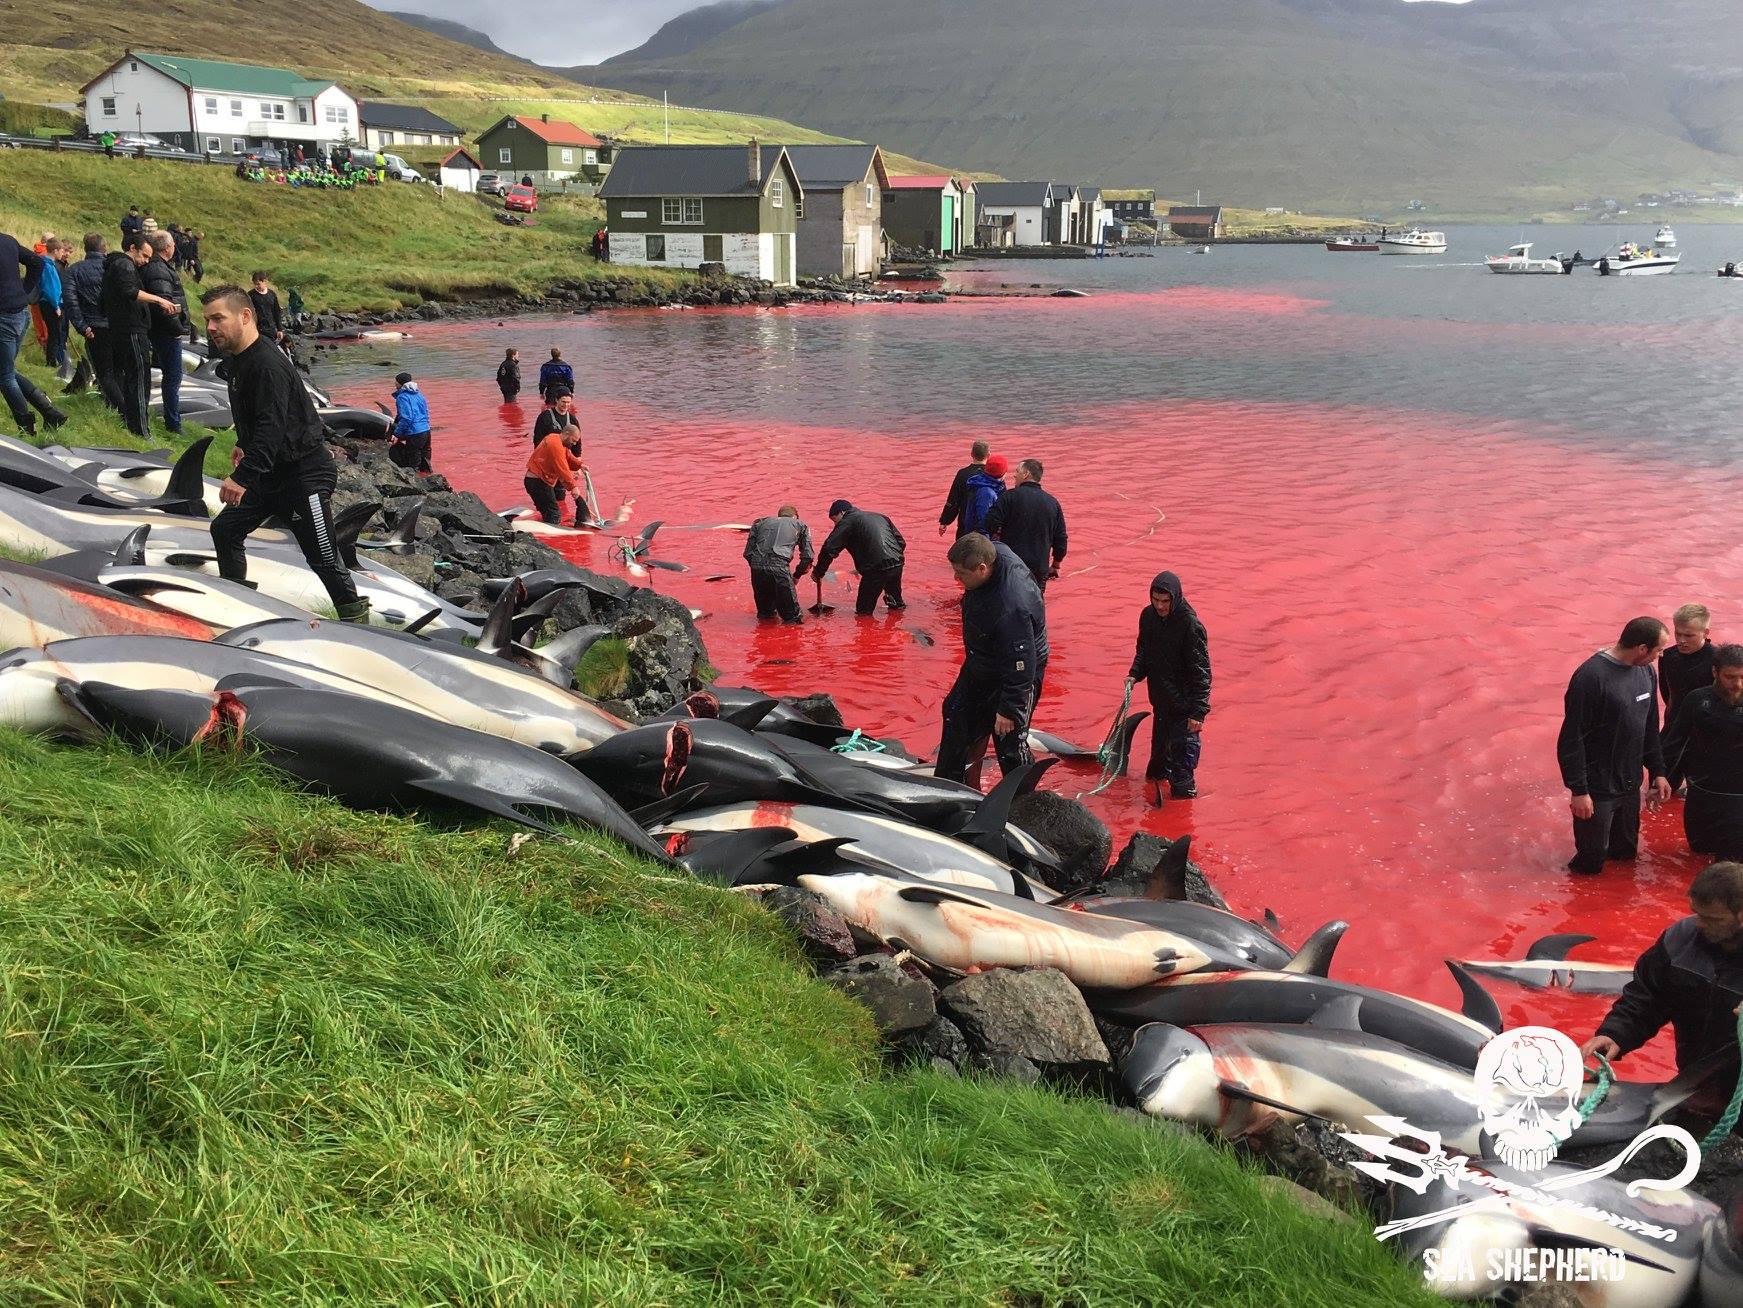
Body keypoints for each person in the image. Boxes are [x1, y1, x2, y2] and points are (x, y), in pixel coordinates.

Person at [201, 284, 369, 623]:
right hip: (271, 474)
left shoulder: (267, 363)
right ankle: (239, 607)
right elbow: (260, 417)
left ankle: (357, 623)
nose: (210, 328)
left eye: (218, 319)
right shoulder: (240, 359)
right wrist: (243, 444)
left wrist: (242, 477)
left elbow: (272, 428)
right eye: (207, 320)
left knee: (322, 555)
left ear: (245, 316)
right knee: (225, 530)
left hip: (304, 475)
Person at [1581, 862, 1743, 1077]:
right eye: (1697, 914)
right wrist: (1616, 1033)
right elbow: (1648, 996)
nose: (1700, 924)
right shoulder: (1680, 940)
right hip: (1695, 1081)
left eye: (1712, 919)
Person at [1557, 617, 1673, 877]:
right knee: (1591, 862)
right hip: (1597, 788)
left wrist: (1658, 772)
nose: (1660, 655)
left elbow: (1649, 726)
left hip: (1630, 784)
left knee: (1625, 855)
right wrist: (1579, 790)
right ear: (1642, 648)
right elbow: (1571, 738)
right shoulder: (1590, 678)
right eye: (1658, 650)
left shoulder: (1646, 672)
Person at [934, 533, 1047, 787]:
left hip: (1017, 673)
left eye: (961, 574)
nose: (956, 579)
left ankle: (1023, 801)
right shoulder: (992, 551)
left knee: (1009, 740)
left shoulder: (1010, 607)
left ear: (983, 569)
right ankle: (951, 785)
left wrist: (1009, 708)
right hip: (982, 660)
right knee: (954, 712)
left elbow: (1021, 663)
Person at [1127, 572, 1211, 805]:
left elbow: (1202, 673)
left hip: (1185, 711)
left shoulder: (1190, 626)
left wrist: (1198, 713)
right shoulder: (1148, 616)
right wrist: (1134, 674)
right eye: (1156, 600)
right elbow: (1144, 651)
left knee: (1182, 782)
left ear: (1175, 598)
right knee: (1155, 772)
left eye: (1165, 601)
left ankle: (1184, 820)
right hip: (1162, 705)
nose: (1160, 606)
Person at [1664, 644, 1743, 862]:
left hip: (1739, 798)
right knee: (1698, 851)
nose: (1737, 684)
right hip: (1702, 791)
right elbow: (1675, 740)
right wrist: (1661, 777)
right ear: (1715, 672)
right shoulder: (1697, 699)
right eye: (1730, 677)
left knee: (1732, 862)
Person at [101, 231, 174, 438]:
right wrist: (159, 300)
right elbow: (129, 291)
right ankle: (141, 430)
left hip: (125, 327)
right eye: (144, 255)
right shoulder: (123, 265)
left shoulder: (116, 265)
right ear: (132, 248)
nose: (146, 261)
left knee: (134, 377)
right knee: (140, 378)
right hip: (131, 329)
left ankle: (133, 423)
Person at [1, 230, 69, 435]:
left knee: (4, 375)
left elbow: (38, 264)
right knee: (7, 370)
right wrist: (24, 290)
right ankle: (49, 412)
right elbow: (37, 263)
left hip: (4, 316)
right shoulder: (8, 240)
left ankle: (27, 426)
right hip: (20, 313)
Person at [984, 458, 1068, 591]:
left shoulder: (1008, 497)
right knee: (1035, 605)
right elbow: (1061, 538)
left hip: (1010, 563)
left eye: (1017, 471)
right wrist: (1056, 565)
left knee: (1008, 602)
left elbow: (989, 523)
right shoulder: (1053, 503)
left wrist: (998, 536)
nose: (1014, 475)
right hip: (1039, 568)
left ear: (1026, 474)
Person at [814, 499, 906, 616]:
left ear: (842, 513)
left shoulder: (847, 522)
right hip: (897, 563)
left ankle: (869, 631)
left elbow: (829, 549)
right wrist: (891, 559)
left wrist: (819, 572)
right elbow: (901, 542)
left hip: (875, 569)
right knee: (896, 604)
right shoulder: (879, 516)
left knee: (863, 612)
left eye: (834, 520)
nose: (835, 525)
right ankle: (900, 627)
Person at [64, 233, 123, 411]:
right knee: (118, 369)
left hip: (94, 327)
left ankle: (121, 408)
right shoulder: (115, 267)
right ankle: (118, 405)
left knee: (104, 372)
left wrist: (82, 326)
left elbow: (70, 302)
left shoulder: (74, 270)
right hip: (119, 325)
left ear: (85, 248)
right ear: (104, 248)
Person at [143, 232, 192, 433]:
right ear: (167, 248)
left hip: (160, 330)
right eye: (173, 244)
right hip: (166, 332)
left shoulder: (157, 267)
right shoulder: (159, 270)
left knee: (169, 376)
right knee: (173, 377)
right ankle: (173, 423)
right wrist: (177, 329)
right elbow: (164, 304)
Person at [743, 506, 814, 624]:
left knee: (765, 615)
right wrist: (796, 575)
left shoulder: (760, 523)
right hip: (779, 566)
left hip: (757, 567)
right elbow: (807, 557)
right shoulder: (800, 525)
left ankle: (763, 639)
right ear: (794, 516)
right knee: (793, 619)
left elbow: (748, 553)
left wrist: (759, 568)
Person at [1661, 604, 1717, 721]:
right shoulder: (1667, 656)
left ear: (1705, 633)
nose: (1681, 641)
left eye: (1688, 635)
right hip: (1674, 724)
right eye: (1678, 634)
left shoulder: (1718, 660)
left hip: (1706, 725)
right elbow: (1667, 694)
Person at [524, 421, 586, 526]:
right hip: (538, 482)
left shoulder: (557, 440)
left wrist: (580, 465)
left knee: (549, 511)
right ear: (566, 434)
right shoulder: (555, 445)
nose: (574, 444)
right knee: (554, 515)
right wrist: (573, 487)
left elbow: (568, 457)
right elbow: (562, 468)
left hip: (539, 482)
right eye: (573, 440)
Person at [937, 439, 990, 538]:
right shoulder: (993, 475)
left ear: (971, 454)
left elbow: (953, 500)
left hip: (965, 526)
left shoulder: (963, 474)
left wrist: (944, 521)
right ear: (988, 455)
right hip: (987, 528)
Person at [387, 372, 433, 473]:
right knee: (426, 463)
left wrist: (396, 433)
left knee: (414, 463)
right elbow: (426, 412)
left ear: (399, 383)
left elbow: (406, 418)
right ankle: (430, 481)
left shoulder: (402, 397)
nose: (395, 384)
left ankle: (416, 483)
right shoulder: (419, 394)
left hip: (415, 433)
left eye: (396, 382)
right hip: (426, 430)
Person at [36, 238, 69, 379]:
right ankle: (51, 362)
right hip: (50, 303)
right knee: (55, 333)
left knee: (54, 332)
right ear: (55, 250)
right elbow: (52, 288)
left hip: (46, 302)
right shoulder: (48, 266)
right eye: (62, 250)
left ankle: (52, 360)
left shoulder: (45, 263)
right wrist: (56, 306)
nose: (63, 253)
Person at [960, 454, 1007, 538]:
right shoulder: (986, 492)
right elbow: (983, 522)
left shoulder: (983, 484)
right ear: (1002, 474)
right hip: (982, 541)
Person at [248, 272, 286, 347]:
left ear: (264, 281)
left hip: (271, 328)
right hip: (257, 328)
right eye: (255, 284)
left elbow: (277, 312)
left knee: (272, 347)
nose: (256, 286)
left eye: (258, 284)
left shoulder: (272, 294)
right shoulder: (250, 295)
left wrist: (279, 329)